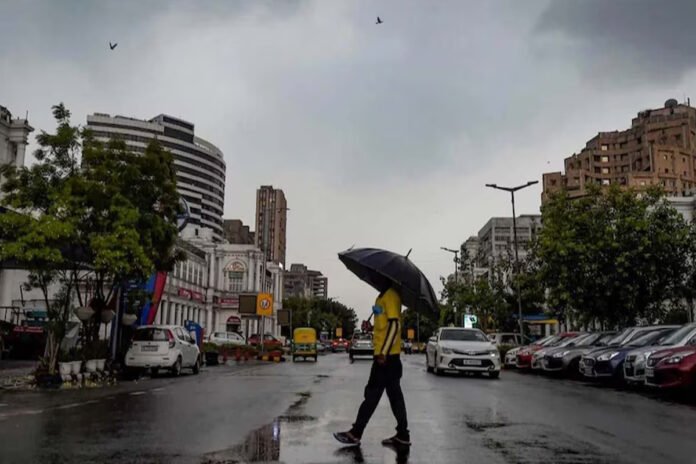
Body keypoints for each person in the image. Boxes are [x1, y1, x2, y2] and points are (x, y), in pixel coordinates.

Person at [333, 286, 410, 447]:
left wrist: (384, 352)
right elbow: (384, 326)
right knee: (395, 398)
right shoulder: (381, 297)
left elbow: (394, 326)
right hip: (386, 358)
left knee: (372, 395)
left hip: (387, 358)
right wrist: (371, 328)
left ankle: (356, 433)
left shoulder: (391, 295)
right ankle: (402, 434)